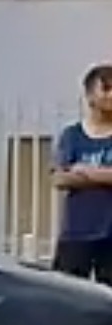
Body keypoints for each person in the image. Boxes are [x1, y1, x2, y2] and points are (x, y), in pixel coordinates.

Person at [53, 64, 112, 282]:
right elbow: (60, 178)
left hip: (111, 235)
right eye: (106, 89)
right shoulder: (72, 135)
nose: (111, 96)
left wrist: (85, 171)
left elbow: (73, 174)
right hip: (77, 233)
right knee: (67, 298)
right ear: (89, 95)